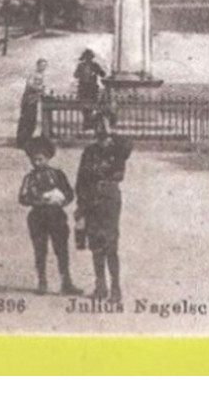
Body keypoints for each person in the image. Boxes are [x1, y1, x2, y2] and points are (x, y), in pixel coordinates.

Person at [74, 110, 134, 302]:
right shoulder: (89, 151)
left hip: (109, 200)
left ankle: (116, 287)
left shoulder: (117, 149)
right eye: (98, 124)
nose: (101, 128)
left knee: (110, 244)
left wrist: (111, 135)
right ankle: (100, 286)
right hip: (91, 199)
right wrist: (80, 206)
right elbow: (80, 180)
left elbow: (126, 149)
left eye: (105, 124)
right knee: (95, 244)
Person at [18, 137, 82, 295]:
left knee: (61, 249)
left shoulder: (57, 175)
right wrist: (39, 199)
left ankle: (66, 282)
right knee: (40, 250)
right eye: (33, 160)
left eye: (40, 159)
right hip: (37, 217)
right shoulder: (30, 178)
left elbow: (69, 193)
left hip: (56, 216)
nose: (36, 163)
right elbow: (22, 198)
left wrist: (60, 200)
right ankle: (42, 281)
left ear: (48, 158)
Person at [14, 57, 49, 149]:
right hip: (28, 100)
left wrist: (44, 93)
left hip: (34, 100)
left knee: (32, 121)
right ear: (37, 65)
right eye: (41, 65)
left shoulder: (42, 75)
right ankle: (21, 141)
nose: (43, 68)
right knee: (26, 120)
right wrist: (39, 89)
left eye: (45, 66)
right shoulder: (33, 74)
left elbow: (43, 88)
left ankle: (27, 140)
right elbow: (29, 84)